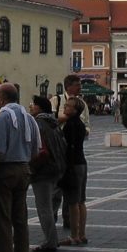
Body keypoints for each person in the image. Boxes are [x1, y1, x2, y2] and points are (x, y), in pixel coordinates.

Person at [0, 82, 41, 252]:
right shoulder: (29, 118)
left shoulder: (3, 117)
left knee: (1, 220)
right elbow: (36, 150)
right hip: (24, 169)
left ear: (1, 98)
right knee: (20, 220)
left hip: (5, 171)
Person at [50, 74, 89, 227]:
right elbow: (52, 120)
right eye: (77, 85)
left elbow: (87, 124)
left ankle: (70, 222)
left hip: (74, 154)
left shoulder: (82, 104)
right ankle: (52, 217)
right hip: (58, 151)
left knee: (74, 195)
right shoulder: (56, 100)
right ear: (68, 86)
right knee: (56, 190)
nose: (80, 87)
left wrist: (84, 131)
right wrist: (67, 116)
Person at [29, 95, 64, 252]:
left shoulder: (38, 124)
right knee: (49, 206)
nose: (31, 107)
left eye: (34, 105)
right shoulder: (53, 123)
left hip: (43, 170)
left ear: (40, 108)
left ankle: (50, 241)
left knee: (44, 208)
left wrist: (32, 166)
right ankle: (52, 239)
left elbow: (39, 149)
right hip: (55, 168)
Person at [59, 97, 89, 246]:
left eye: (68, 106)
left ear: (75, 110)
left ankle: (74, 235)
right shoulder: (81, 124)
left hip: (73, 165)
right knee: (81, 201)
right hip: (82, 163)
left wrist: (66, 167)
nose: (65, 107)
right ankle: (82, 234)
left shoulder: (70, 125)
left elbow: (68, 147)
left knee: (72, 202)